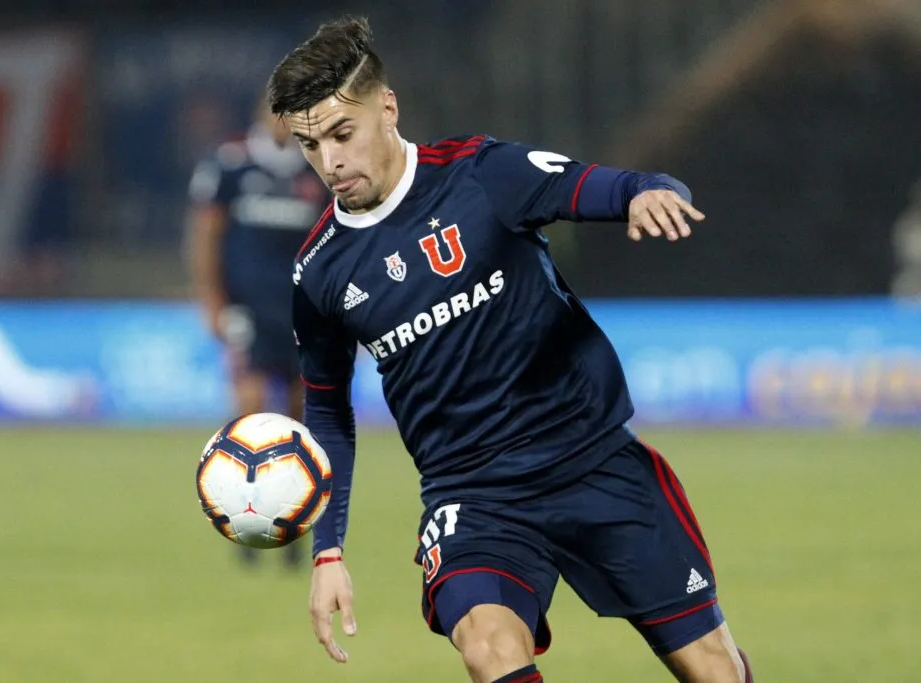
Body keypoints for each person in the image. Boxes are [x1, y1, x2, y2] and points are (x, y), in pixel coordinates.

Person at [269, 16, 754, 683]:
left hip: (592, 458)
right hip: (474, 496)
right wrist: (328, 553)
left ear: (387, 108)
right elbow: (327, 413)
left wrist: (649, 193)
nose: (330, 161)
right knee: (490, 648)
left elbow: (601, 185)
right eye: (309, 145)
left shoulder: (481, 174)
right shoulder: (320, 270)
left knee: (714, 669)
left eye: (341, 134)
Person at [186, 97, 329, 570]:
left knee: (296, 412)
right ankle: (241, 523)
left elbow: (339, 236)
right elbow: (207, 232)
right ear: (262, 112)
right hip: (248, 305)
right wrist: (211, 298)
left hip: (300, 307)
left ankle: (291, 525)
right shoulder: (231, 164)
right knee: (248, 408)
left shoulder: (319, 165)